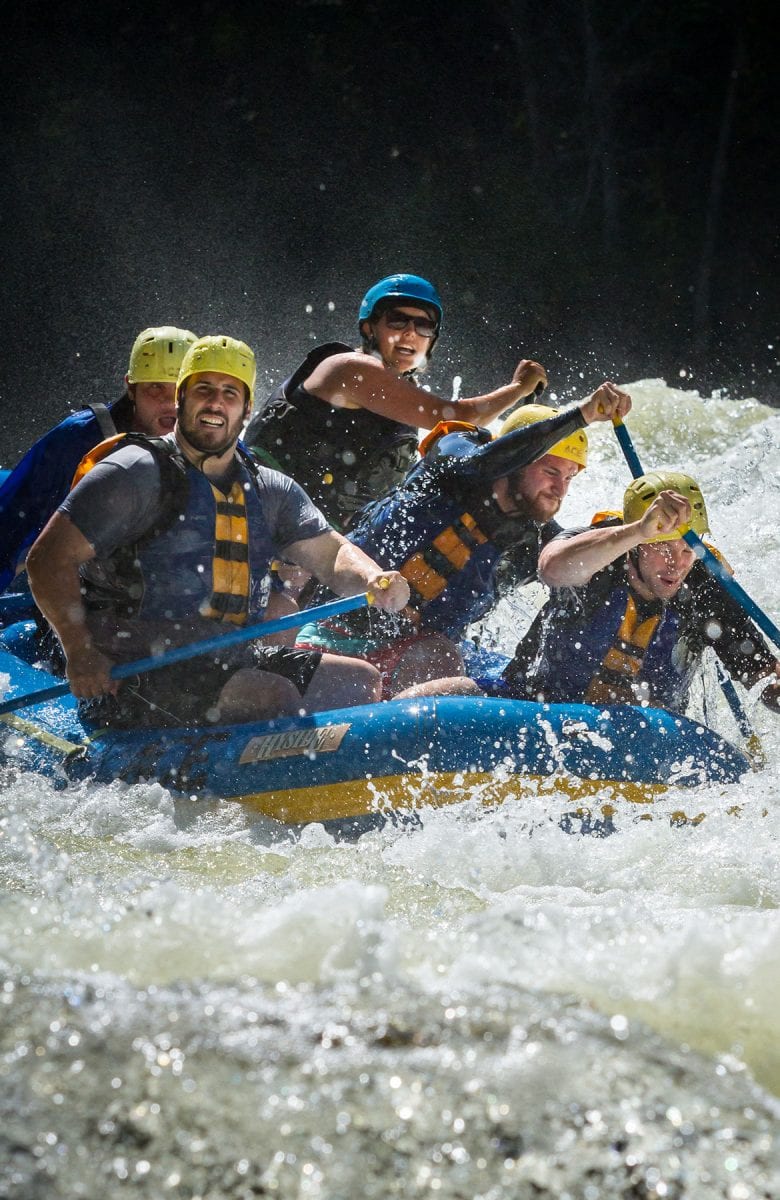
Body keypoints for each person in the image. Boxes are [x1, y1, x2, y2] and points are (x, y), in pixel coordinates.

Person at [27, 335, 410, 729]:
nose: (215, 403)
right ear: (181, 401)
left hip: (223, 656)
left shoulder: (270, 489)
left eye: (230, 393)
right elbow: (47, 559)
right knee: (273, 696)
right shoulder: (134, 472)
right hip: (133, 670)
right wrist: (80, 650)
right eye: (203, 390)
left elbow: (331, 555)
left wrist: (373, 577)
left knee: (358, 681)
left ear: (246, 411)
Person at [293, 383, 632, 698]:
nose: (560, 491)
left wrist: (640, 530)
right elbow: (482, 463)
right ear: (517, 461)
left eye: (570, 477)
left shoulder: (535, 540)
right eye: (550, 472)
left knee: (465, 662)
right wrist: (582, 416)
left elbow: (577, 564)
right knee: (439, 655)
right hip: (330, 631)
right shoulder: (452, 461)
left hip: (415, 656)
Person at [244, 273, 548, 533]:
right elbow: (459, 416)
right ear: (369, 328)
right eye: (397, 320)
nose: (410, 333)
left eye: (423, 326)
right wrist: (519, 387)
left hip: (322, 528)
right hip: (265, 510)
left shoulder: (404, 393)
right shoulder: (351, 369)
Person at [499, 471, 780, 713]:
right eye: (663, 547)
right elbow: (551, 568)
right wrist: (640, 530)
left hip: (645, 740)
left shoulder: (705, 589)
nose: (677, 564)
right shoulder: (602, 551)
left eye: (685, 549)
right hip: (537, 708)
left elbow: (763, 677)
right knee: (456, 687)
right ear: (637, 544)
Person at [0, 325, 198, 593]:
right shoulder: (78, 439)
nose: (171, 405)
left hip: (167, 602)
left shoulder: (216, 441)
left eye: (181, 392)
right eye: (155, 388)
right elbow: (11, 525)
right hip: (89, 601)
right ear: (131, 388)